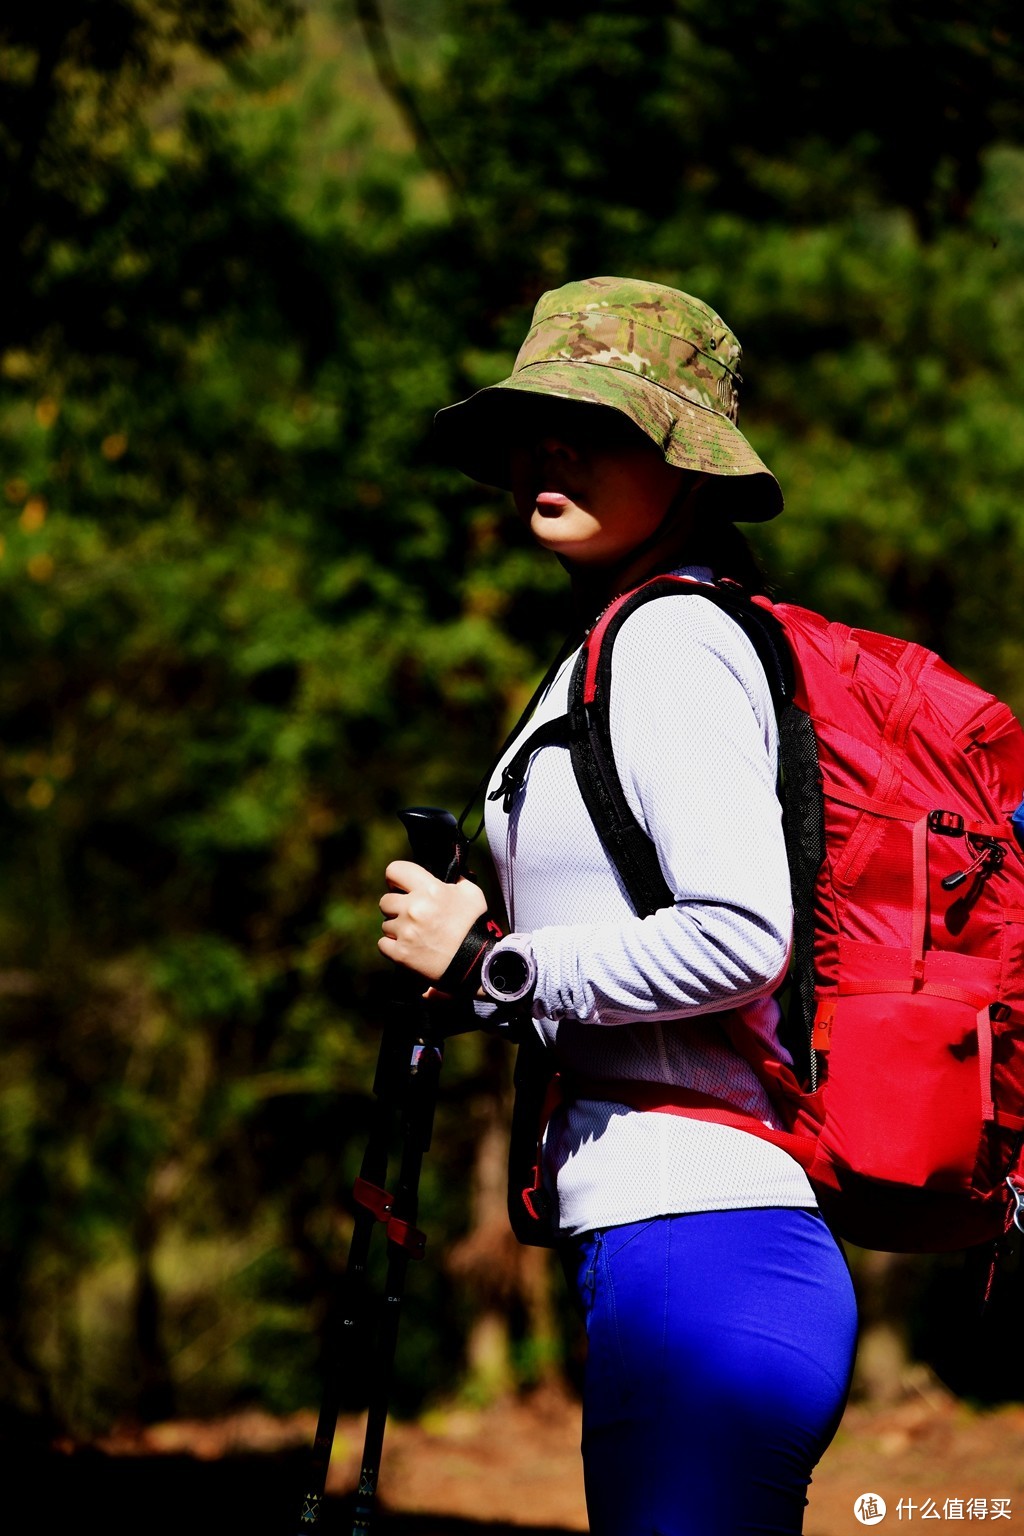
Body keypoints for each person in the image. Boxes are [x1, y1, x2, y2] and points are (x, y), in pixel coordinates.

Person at [377, 276, 858, 1536]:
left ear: (687, 463)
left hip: (704, 1247)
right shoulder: (612, 646)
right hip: (665, 1250)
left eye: (598, 423)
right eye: (541, 422)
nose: (554, 448)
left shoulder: (667, 643)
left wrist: (494, 966)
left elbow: (742, 936)